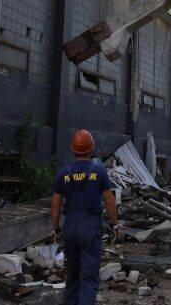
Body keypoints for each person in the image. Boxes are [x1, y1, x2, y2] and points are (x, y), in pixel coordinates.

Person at [51, 129, 120, 305]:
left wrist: (56, 228)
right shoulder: (99, 172)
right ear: (91, 149)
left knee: (72, 278)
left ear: (73, 150)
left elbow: (56, 204)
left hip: (70, 229)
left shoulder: (63, 174)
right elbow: (110, 201)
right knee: (88, 279)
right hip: (90, 229)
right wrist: (115, 225)